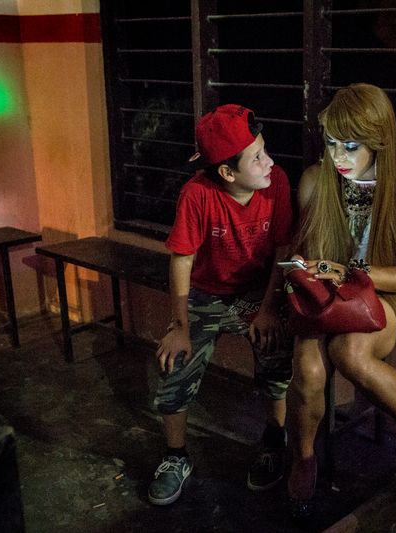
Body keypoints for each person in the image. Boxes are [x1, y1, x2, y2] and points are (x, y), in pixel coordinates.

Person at [287, 83, 396, 516]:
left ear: (378, 140)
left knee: (351, 353)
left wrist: (355, 274)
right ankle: (304, 456)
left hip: (383, 294)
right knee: (307, 367)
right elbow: (297, 252)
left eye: (349, 146)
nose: (337, 158)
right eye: (329, 144)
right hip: (325, 299)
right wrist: (305, 270)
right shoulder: (314, 178)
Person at [149, 104, 293, 505]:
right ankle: (176, 456)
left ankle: (274, 440)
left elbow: (284, 246)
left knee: (275, 346)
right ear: (228, 173)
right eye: (257, 157)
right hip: (205, 295)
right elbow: (182, 257)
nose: (270, 162)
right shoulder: (198, 194)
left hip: (256, 292)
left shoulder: (277, 182)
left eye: (265, 150)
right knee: (174, 360)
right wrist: (178, 325)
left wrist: (267, 309)